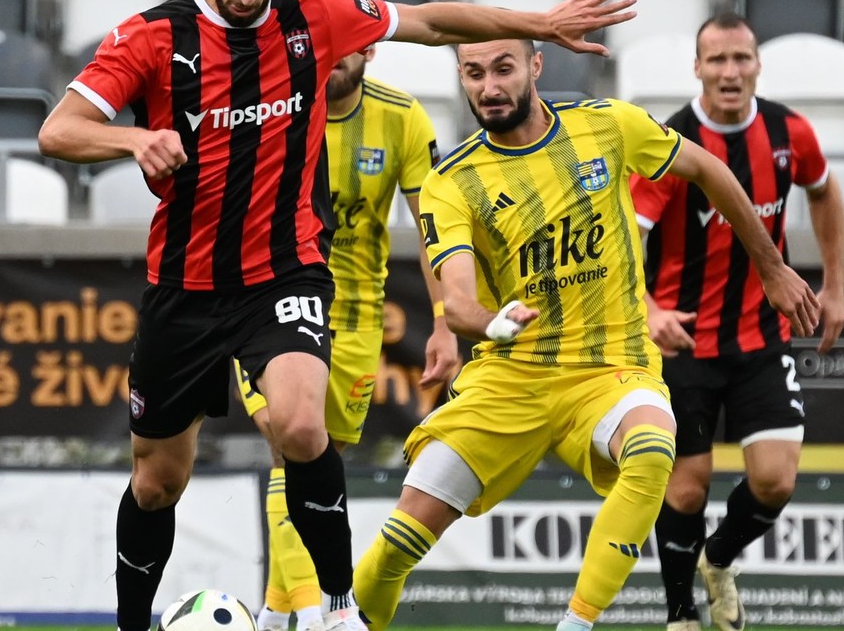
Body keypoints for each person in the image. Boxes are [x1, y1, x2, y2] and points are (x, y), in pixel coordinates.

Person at [36, 0, 636, 631]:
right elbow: (58, 130)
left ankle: (340, 609)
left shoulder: (312, 13)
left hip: (284, 272)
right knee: (158, 480)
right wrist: (132, 141)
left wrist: (539, 22)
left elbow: (433, 22)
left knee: (299, 423)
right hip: (184, 286)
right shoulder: (154, 37)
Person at [351, 38, 820, 631]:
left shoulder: (608, 126)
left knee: (653, 449)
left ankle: (577, 624)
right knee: (399, 541)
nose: (489, 87)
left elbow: (707, 168)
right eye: (474, 74)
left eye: (503, 69)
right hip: (512, 378)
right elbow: (460, 301)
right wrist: (489, 322)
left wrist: (771, 266)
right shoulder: (453, 180)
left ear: (535, 66)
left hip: (611, 367)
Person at [235, 30, 461, 631]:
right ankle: (322, 613)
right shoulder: (270, 109)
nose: (331, 60)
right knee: (290, 439)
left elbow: (433, 226)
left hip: (357, 316)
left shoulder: (402, 119)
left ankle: (275, 612)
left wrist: (443, 323)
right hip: (269, 302)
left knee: (319, 461)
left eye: (345, 48)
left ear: (369, 52)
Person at [631, 13, 844, 631]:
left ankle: (718, 560)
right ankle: (680, 617)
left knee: (776, 481)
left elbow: (825, 192)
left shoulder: (789, 132)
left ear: (757, 65)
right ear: (697, 69)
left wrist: (834, 284)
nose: (730, 72)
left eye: (741, 59)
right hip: (684, 340)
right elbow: (623, 236)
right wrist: (648, 312)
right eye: (717, 60)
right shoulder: (668, 142)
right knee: (686, 487)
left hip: (760, 336)